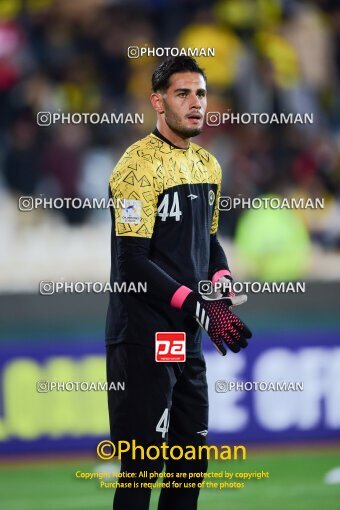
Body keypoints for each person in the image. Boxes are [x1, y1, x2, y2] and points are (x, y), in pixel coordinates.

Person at [105, 56, 252, 510]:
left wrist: (221, 282)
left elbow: (208, 245)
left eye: (201, 94)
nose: (195, 104)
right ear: (157, 101)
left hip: (184, 337)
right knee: (141, 470)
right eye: (182, 93)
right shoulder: (135, 166)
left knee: (189, 467)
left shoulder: (209, 165)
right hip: (143, 334)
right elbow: (132, 262)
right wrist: (197, 304)